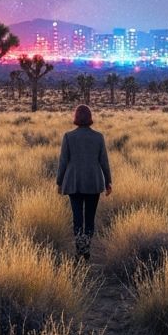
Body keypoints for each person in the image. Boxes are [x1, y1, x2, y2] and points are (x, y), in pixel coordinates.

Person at [56, 103, 112, 261]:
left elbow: (63, 161)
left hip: (73, 182)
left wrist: (59, 182)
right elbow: (104, 161)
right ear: (90, 118)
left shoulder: (68, 137)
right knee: (90, 218)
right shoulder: (98, 137)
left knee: (77, 218)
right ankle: (86, 250)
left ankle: (79, 250)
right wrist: (108, 182)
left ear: (76, 118)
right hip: (93, 182)